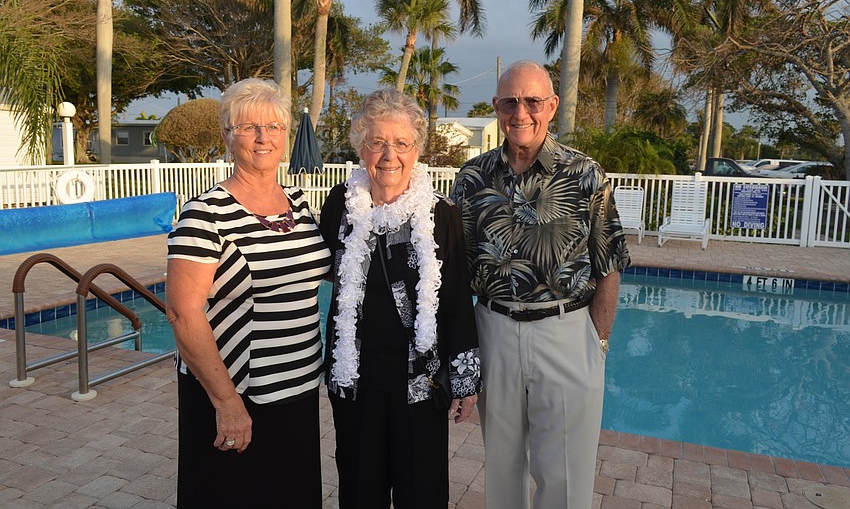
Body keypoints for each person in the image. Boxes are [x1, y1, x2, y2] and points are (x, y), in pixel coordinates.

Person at [449, 60, 631, 509]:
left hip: (566, 332)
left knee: (566, 476)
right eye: (510, 101)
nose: (521, 112)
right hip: (494, 329)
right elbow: (453, 269)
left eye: (533, 101)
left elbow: (609, 262)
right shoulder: (471, 179)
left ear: (551, 106)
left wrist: (598, 341)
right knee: (503, 470)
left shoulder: (585, 174)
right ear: (495, 107)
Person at [165, 78, 331, 508]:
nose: (264, 137)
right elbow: (183, 313)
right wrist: (227, 402)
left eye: (274, 127)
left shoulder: (299, 203)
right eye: (249, 127)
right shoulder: (205, 213)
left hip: (295, 390)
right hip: (238, 393)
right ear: (227, 135)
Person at [319, 88, 481, 509]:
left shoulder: (440, 212)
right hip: (356, 378)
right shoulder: (340, 204)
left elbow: (457, 299)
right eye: (377, 142)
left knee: (421, 491)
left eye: (401, 143)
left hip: (420, 381)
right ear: (360, 147)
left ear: (417, 150)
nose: (389, 154)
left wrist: (465, 382)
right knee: (359, 489)